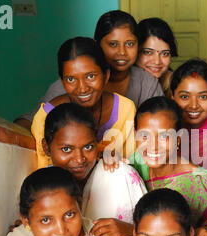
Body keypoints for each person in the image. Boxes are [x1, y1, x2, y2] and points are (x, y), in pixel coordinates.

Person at [14, 10, 163, 129]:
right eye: (112, 44)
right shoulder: (68, 85)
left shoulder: (147, 83)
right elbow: (29, 122)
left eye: (130, 44)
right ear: (97, 45)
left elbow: (162, 126)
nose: (122, 52)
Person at [131, 96, 207, 236]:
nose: (153, 145)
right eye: (144, 136)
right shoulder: (135, 164)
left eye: (164, 137)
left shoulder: (199, 182)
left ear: (179, 138)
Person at [43, 103, 147, 236]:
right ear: (46, 148)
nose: (79, 159)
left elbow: (155, 233)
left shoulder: (120, 175)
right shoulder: (42, 188)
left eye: (88, 147)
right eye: (66, 149)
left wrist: (130, 231)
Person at [29, 37, 136, 169]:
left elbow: (130, 166)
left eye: (90, 76)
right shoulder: (45, 118)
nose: (83, 88)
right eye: (71, 79)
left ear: (106, 75)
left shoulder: (125, 110)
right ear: (62, 82)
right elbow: (46, 172)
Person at [170, 58, 207, 177]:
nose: (193, 105)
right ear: (173, 97)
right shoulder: (167, 124)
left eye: (203, 97)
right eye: (185, 97)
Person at [136, 17, 178, 97]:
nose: (157, 62)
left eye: (165, 53)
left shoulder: (178, 83)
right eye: (148, 52)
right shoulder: (124, 83)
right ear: (135, 51)